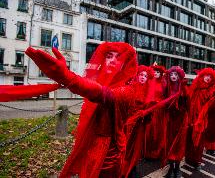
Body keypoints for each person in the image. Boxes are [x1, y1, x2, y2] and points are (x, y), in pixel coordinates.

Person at [25, 42, 140, 178]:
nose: (113, 61)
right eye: (109, 56)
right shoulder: (103, 80)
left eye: (118, 57)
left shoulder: (128, 90)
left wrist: (67, 76)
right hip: (90, 144)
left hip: (108, 152)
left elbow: (100, 93)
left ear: (125, 63)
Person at [185, 68, 215, 170]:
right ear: (202, 76)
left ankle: (197, 160)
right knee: (189, 139)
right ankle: (189, 158)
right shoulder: (194, 87)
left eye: (210, 77)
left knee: (199, 140)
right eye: (206, 76)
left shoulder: (211, 90)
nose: (208, 78)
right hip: (191, 118)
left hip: (202, 119)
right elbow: (188, 101)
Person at [163, 66, 188, 178]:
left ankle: (177, 168)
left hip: (180, 121)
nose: (173, 76)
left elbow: (187, 105)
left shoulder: (183, 88)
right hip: (169, 121)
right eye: (172, 74)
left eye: (176, 75)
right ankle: (171, 168)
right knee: (169, 143)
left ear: (179, 77)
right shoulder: (166, 88)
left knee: (178, 145)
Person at [144, 64, 167, 159]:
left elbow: (165, 96)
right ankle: (146, 151)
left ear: (161, 73)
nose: (156, 73)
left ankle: (155, 152)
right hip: (148, 108)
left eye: (158, 72)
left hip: (158, 110)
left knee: (156, 132)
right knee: (147, 130)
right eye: (154, 71)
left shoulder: (163, 83)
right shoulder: (148, 81)